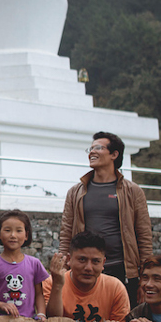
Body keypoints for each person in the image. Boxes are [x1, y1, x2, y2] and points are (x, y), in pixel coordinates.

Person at [60, 131, 152, 308]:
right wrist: (63, 268)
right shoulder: (76, 192)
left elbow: (144, 236)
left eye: (98, 148)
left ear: (114, 154)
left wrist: (145, 276)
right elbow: (66, 233)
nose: (91, 152)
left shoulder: (132, 191)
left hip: (122, 269)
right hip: (86, 269)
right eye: (91, 148)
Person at [43, 230, 129, 322]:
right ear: (69, 259)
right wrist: (57, 286)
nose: (88, 267)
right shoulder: (51, 283)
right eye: (82, 260)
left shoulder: (115, 288)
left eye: (95, 261)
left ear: (103, 263)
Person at [0, 210, 48, 320]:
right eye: (8, 230)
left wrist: (41, 314)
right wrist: (1, 305)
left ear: (26, 235)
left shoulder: (34, 263)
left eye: (19, 231)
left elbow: (39, 294)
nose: (13, 235)